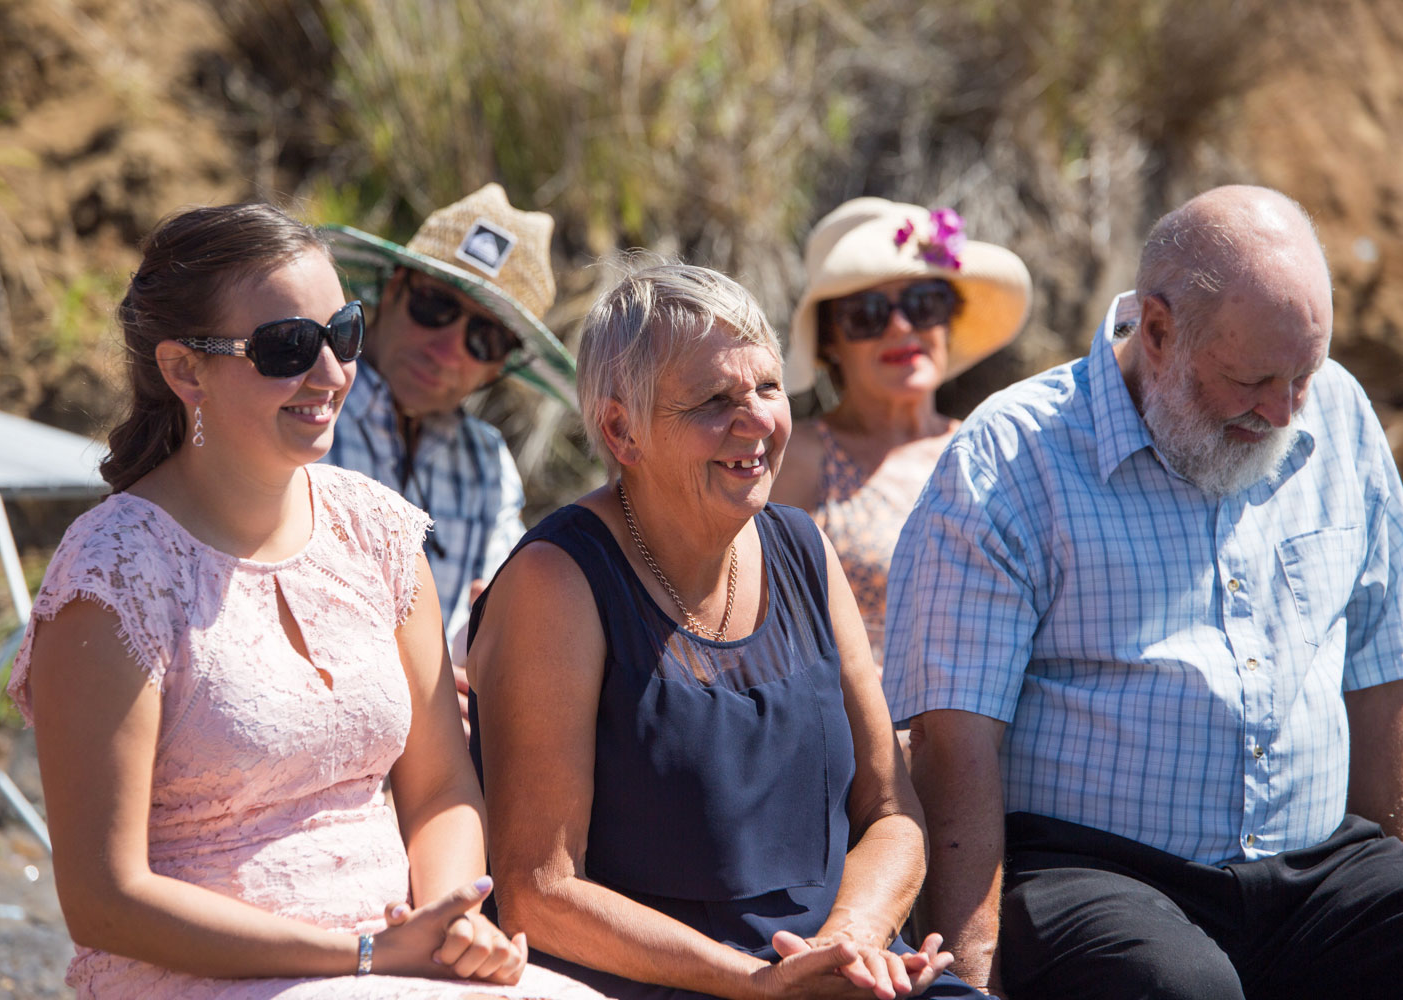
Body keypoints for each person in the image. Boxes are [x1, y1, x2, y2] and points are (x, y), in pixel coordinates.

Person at [6, 203, 603, 999]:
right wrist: (361, 955)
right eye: (288, 347)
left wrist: (453, 916)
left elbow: (440, 790)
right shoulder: (113, 574)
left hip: (388, 959)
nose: (331, 375)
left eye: (341, 335)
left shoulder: (381, 532)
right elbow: (104, 901)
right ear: (187, 372)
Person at [884, 185, 1403, 999]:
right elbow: (955, 740)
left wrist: (1384, 860)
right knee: (1176, 989)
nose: (1285, 410)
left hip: (1312, 862)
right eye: (1254, 380)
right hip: (1093, 868)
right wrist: (970, 982)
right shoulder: (1013, 457)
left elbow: (1379, 668)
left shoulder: (1337, 413)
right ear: (1156, 331)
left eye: (1305, 373)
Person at [467, 260, 985, 1000]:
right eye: (715, 400)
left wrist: (848, 943)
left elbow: (893, 812)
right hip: (656, 982)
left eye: (768, 389)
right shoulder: (558, 582)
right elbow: (539, 892)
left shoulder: (803, 548)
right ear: (622, 430)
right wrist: (763, 983)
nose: (757, 422)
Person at [321, 183, 578, 721]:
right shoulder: (307, 410)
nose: (447, 347)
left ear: (498, 367)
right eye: (435, 305)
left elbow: (494, 627)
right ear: (390, 292)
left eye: (483, 337)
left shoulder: (488, 464)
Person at [773, 198, 1030, 662]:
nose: (900, 326)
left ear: (948, 321)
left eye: (924, 303)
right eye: (866, 313)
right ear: (830, 343)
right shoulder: (798, 459)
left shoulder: (992, 449)